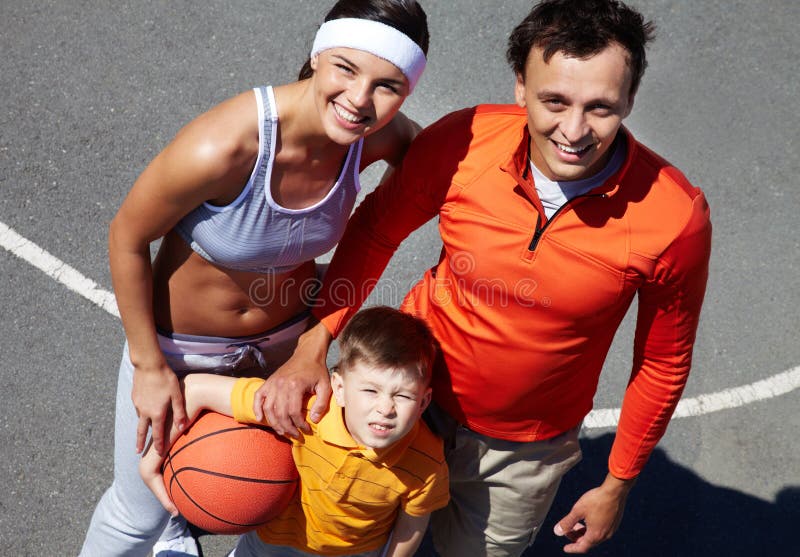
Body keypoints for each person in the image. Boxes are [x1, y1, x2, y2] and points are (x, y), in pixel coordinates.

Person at [255, 0, 712, 555]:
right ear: (521, 86)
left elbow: (663, 361)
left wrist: (618, 484)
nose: (573, 130)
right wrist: (314, 343)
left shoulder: (674, 218)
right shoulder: (463, 142)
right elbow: (375, 231)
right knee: (341, 539)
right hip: (402, 393)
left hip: (520, 452)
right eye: (554, 101)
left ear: (630, 99)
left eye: (600, 108)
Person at [79, 1, 431, 555]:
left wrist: (317, 336)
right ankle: (169, 532)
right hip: (182, 350)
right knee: (137, 515)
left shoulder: (378, 138)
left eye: (387, 86)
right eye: (346, 69)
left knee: (274, 493)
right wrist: (148, 366)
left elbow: (423, 174)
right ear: (317, 55)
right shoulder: (228, 144)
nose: (360, 99)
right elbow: (127, 236)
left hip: (287, 349)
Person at [140, 306, 449, 557]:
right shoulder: (304, 410)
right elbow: (195, 389)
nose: (385, 408)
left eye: (403, 396)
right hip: (273, 541)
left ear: (424, 402)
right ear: (339, 388)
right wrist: (153, 458)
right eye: (370, 390)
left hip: (356, 552)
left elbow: (412, 525)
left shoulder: (427, 462)